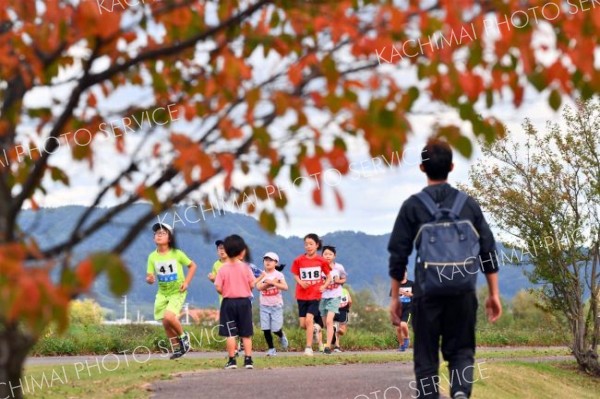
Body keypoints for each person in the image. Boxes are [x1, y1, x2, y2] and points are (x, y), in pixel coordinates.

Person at [388, 139, 502, 399]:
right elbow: (488, 250)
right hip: (463, 292)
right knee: (462, 351)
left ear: (421, 168)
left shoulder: (413, 206)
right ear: (451, 166)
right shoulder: (468, 205)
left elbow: (398, 256)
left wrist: (395, 297)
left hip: (427, 294)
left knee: (426, 356)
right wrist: (493, 293)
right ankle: (460, 392)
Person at [146, 222, 197, 360]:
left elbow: (192, 266)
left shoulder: (177, 253)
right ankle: (177, 350)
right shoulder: (152, 257)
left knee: (169, 317)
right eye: (157, 233)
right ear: (153, 238)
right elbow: (150, 277)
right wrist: (150, 279)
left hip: (177, 291)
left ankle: (184, 337)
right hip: (162, 293)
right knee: (165, 322)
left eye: (163, 233)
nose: (159, 235)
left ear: (170, 238)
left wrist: (186, 282)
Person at [214, 234, 256, 369]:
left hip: (228, 303)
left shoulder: (223, 268)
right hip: (244, 302)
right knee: (246, 333)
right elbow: (252, 284)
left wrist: (225, 291)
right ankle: (248, 360)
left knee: (230, 333)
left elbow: (218, 287)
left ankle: (232, 360)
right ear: (241, 251)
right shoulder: (246, 267)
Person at [291, 233, 332, 356]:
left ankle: (308, 348)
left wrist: (324, 286)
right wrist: (300, 282)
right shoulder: (298, 260)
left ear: (317, 245)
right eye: (306, 244)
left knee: (309, 320)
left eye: (311, 244)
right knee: (303, 324)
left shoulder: (321, 261)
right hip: (301, 295)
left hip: (314, 295)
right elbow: (295, 274)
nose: (308, 247)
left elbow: (329, 276)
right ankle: (316, 328)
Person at [255, 251, 289, 356]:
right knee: (265, 328)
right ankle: (271, 349)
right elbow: (258, 287)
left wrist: (273, 282)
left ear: (276, 263)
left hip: (276, 306)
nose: (268, 262)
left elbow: (285, 287)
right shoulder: (261, 274)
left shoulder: (279, 275)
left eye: (270, 260)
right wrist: (268, 284)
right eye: (266, 260)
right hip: (264, 305)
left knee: (275, 329)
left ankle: (281, 335)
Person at [320, 245, 347, 354]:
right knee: (326, 324)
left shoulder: (339, 267)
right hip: (323, 297)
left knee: (329, 320)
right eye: (325, 254)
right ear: (322, 255)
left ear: (334, 256)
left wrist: (338, 281)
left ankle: (327, 347)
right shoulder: (319, 267)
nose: (327, 256)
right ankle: (332, 334)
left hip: (335, 296)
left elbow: (344, 278)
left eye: (330, 254)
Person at [390, 270, 413, 352]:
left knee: (403, 324)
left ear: (406, 273)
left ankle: (407, 338)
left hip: (408, 308)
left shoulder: (411, 284)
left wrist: (405, 293)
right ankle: (402, 345)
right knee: (398, 329)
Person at [333, 286, 352, 352]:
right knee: (342, 330)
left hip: (333, 310)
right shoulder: (345, 290)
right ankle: (337, 330)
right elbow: (350, 301)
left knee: (334, 327)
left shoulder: (332, 290)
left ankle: (337, 346)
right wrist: (347, 308)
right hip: (343, 311)